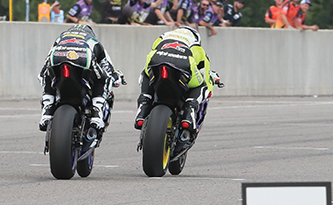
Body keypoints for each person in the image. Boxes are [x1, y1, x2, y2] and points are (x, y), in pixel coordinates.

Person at [134, 26, 222, 156]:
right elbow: (205, 77)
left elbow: (151, 54)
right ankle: (190, 111)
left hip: (157, 60)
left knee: (146, 73)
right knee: (202, 85)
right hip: (183, 64)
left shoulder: (163, 37)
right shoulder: (198, 48)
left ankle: (143, 105)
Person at [38, 23, 124, 146]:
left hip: (58, 59)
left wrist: (43, 74)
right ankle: (96, 113)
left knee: (47, 74)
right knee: (103, 79)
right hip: (82, 61)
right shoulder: (93, 41)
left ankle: (47, 111)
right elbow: (108, 67)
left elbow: (47, 62)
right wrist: (116, 77)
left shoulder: (61, 38)